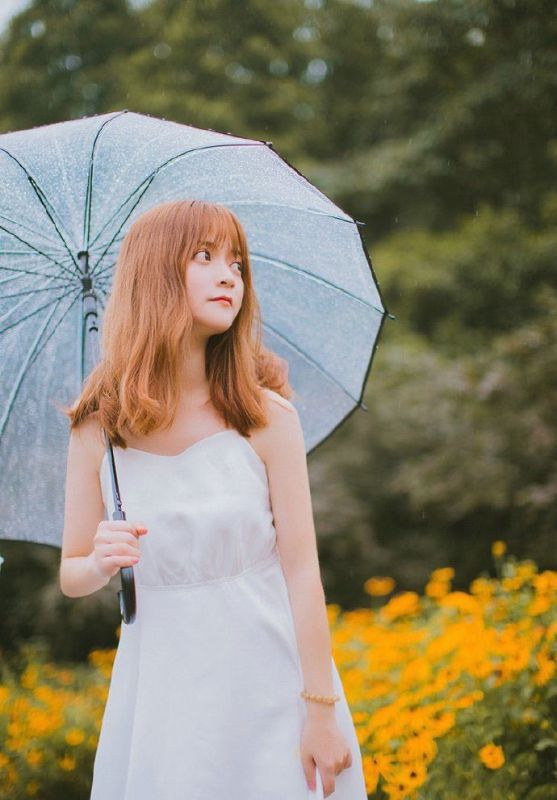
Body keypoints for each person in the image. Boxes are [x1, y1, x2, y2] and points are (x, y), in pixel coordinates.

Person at [59, 199, 368, 799]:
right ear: (154, 274)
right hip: (162, 697)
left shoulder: (265, 417)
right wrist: (100, 560)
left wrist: (321, 712)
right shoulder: (99, 430)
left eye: (237, 262)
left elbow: (303, 574)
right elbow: (72, 573)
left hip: (272, 685)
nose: (231, 275)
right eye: (205, 256)